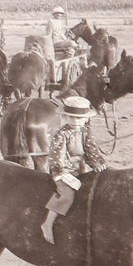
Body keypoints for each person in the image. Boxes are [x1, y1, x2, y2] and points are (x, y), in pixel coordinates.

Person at [40, 95, 108, 242]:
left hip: (81, 169)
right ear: (65, 117)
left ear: (85, 119)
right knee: (67, 194)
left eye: (78, 118)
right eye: (71, 118)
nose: (75, 121)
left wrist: (98, 163)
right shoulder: (61, 135)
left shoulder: (84, 132)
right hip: (63, 171)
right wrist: (63, 171)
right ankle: (48, 223)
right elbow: (56, 157)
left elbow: (90, 150)